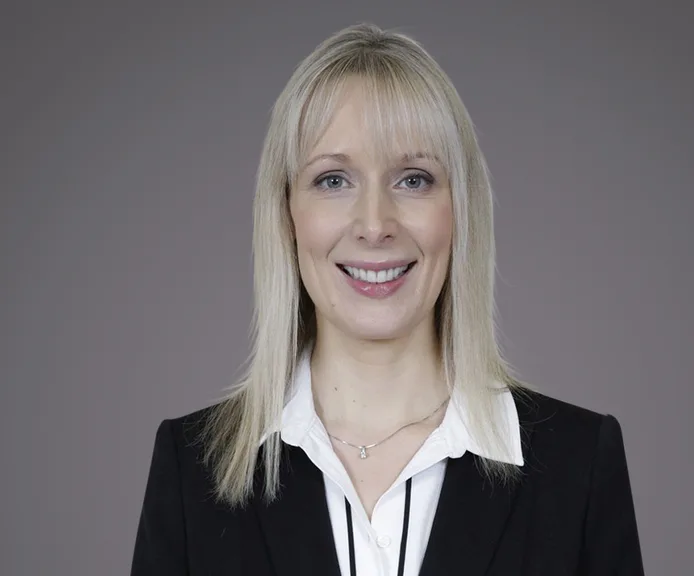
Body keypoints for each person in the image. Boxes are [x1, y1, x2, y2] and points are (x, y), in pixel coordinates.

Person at [130, 23, 644, 576]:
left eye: (413, 179)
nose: (375, 225)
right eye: (333, 181)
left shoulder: (578, 464)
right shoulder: (193, 469)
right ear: (286, 215)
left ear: (461, 210)